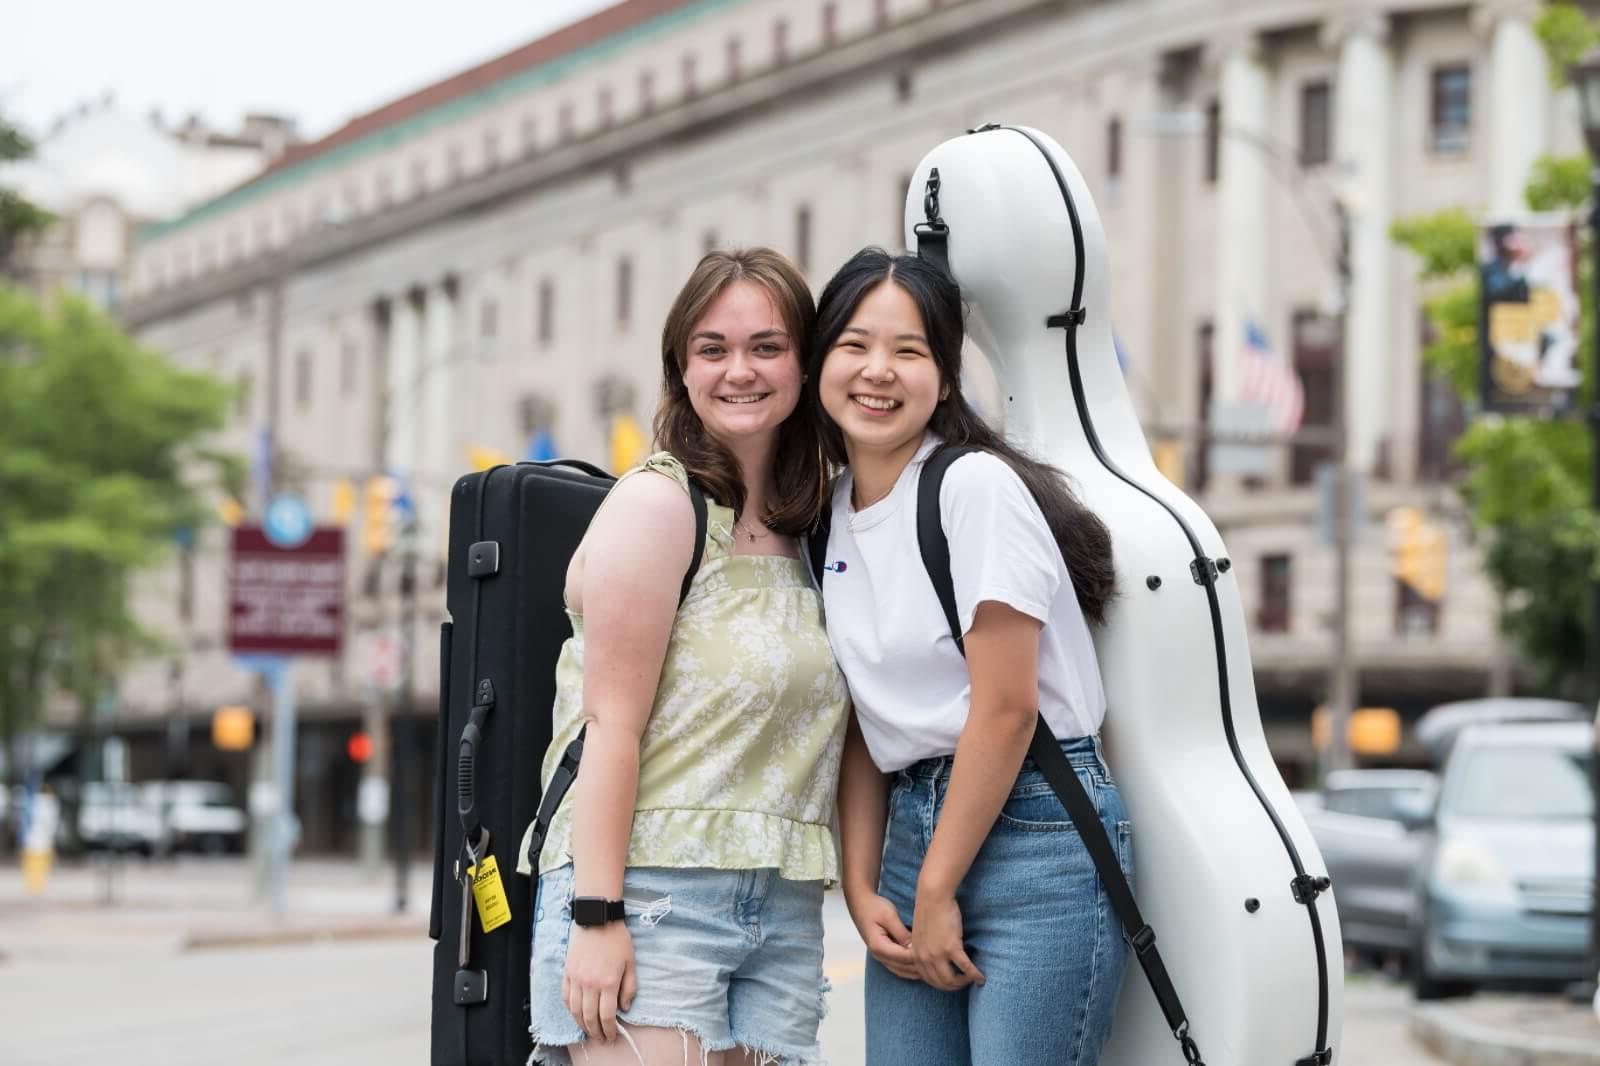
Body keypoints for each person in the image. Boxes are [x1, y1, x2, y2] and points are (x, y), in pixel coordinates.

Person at [518, 247, 848, 1066]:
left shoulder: (814, 530)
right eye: (714, 349)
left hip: (780, 907)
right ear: (682, 370)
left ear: (805, 365)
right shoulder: (659, 505)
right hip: (649, 894)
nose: (741, 370)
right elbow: (610, 727)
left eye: (767, 347)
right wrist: (597, 915)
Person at [808, 248, 1130, 1065]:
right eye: (854, 344)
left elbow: (1007, 706)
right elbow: (864, 719)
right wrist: (863, 882)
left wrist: (936, 885)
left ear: (946, 379)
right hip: (917, 834)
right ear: (821, 362)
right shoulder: (827, 516)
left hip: (1037, 828)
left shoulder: (972, 486)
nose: (878, 370)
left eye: (909, 351)